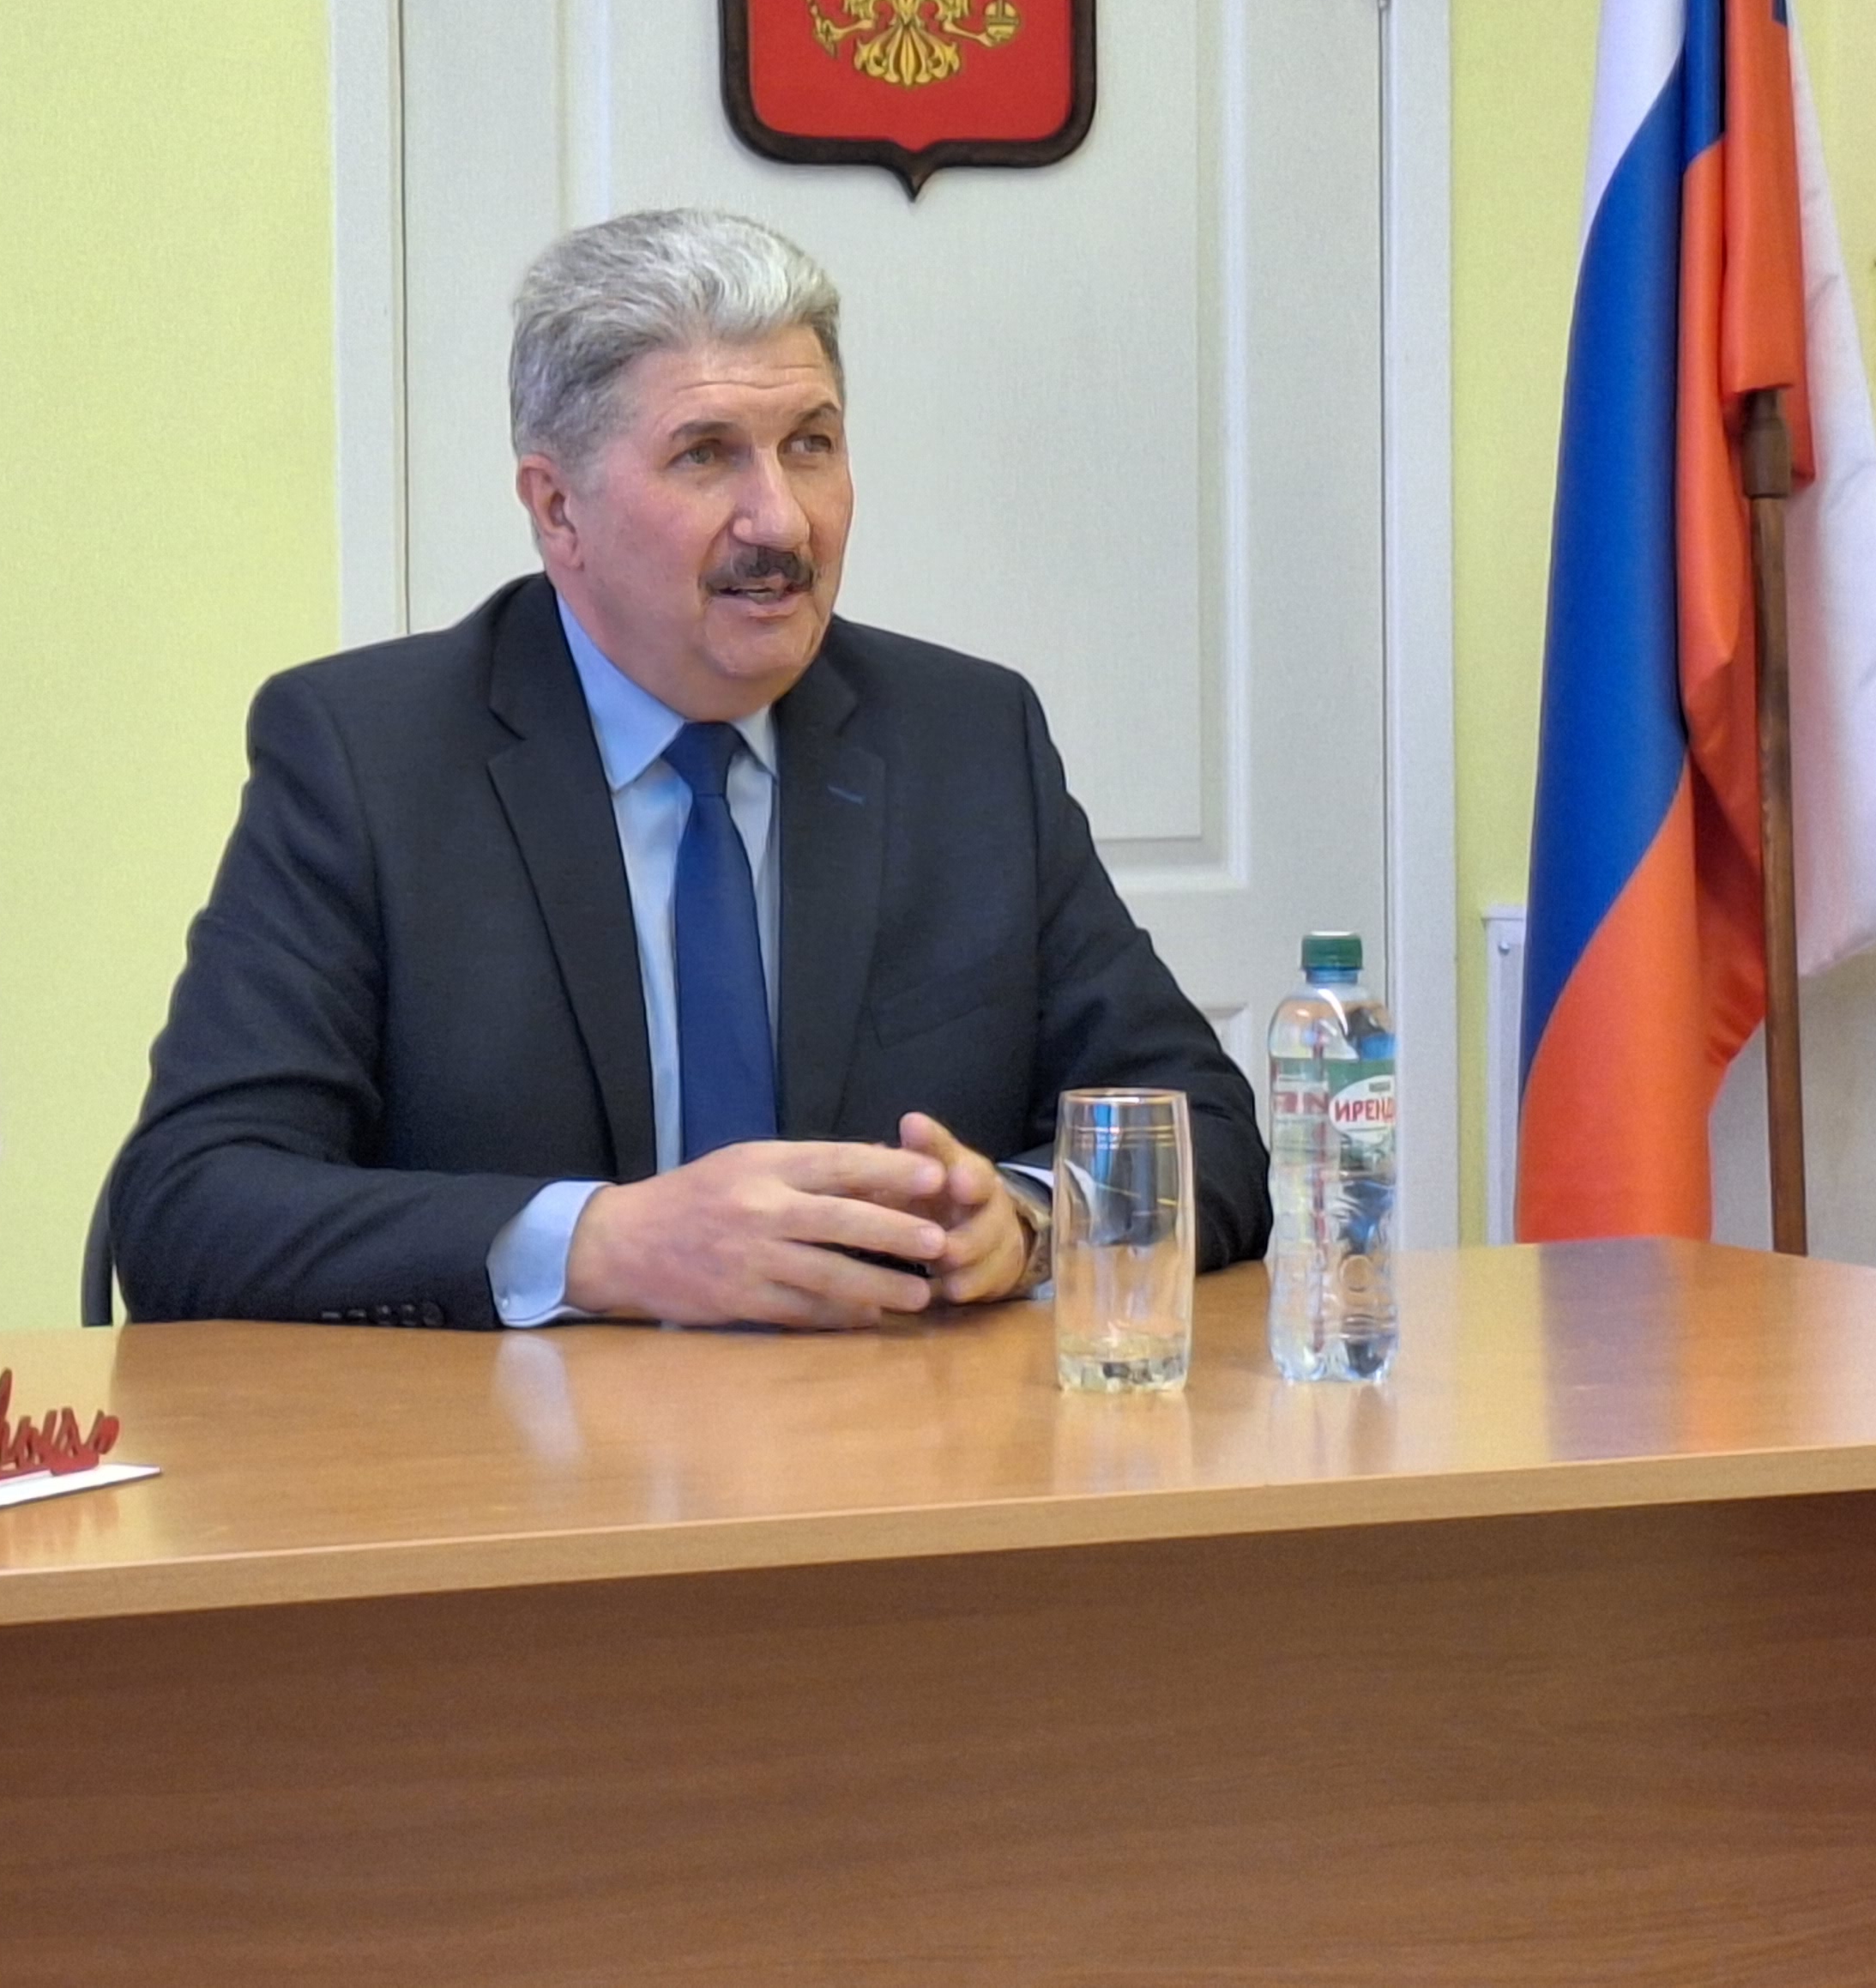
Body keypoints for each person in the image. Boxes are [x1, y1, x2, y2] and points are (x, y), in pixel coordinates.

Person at [104, 207, 1264, 1329]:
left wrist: (1026, 1220)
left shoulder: (963, 740)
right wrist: (606, 1245)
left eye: (810, 446)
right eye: (706, 456)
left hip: (894, 1436)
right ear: (558, 510)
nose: (782, 522)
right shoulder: (371, 758)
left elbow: (1200, 1129)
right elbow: (190, 1204)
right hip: (519, 1453)